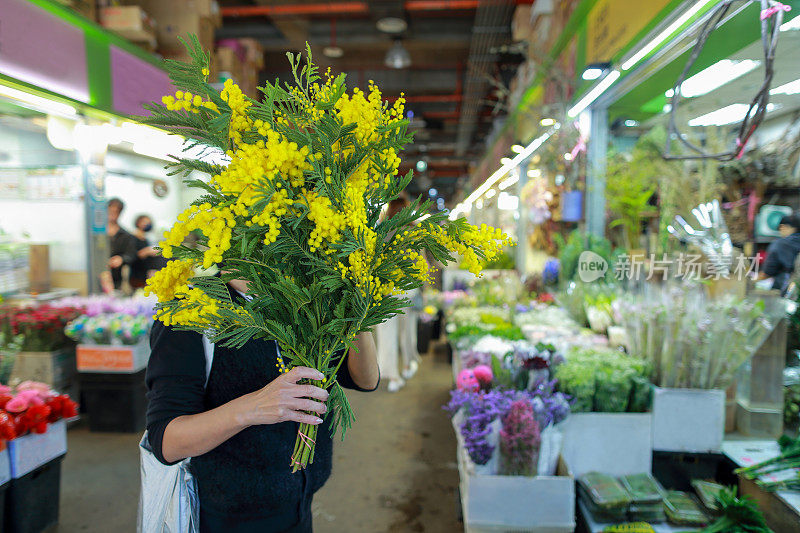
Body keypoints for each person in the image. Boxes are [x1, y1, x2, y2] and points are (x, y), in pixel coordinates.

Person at [145, 278, 379, 532]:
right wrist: (253, 407)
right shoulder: (191, 310)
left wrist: (359, 306)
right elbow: (166, 441)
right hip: (230, 519)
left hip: (300, 506)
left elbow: (366, 380)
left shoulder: (308, 296)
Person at [763, 213, 800, 294]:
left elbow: (768, 271)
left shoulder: (780, 244)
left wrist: (753, 280)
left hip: (787, 289)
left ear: (783, 227)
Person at [107, 198, 138, 291]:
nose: (112, 214)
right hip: (97, 276)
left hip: (116, 279)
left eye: (116, 212)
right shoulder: (96, 233)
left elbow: (131, 254)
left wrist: (121, 259)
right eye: (110, 211)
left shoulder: (126, 235)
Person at [130, 215, 167, 289]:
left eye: (148, 222)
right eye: (144, 222)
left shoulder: (146, 238)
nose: (147, 224)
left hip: (147, 273)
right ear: (138, 223)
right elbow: (133, 255)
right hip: (138, 274)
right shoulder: (133, 237)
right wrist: (147, 251)